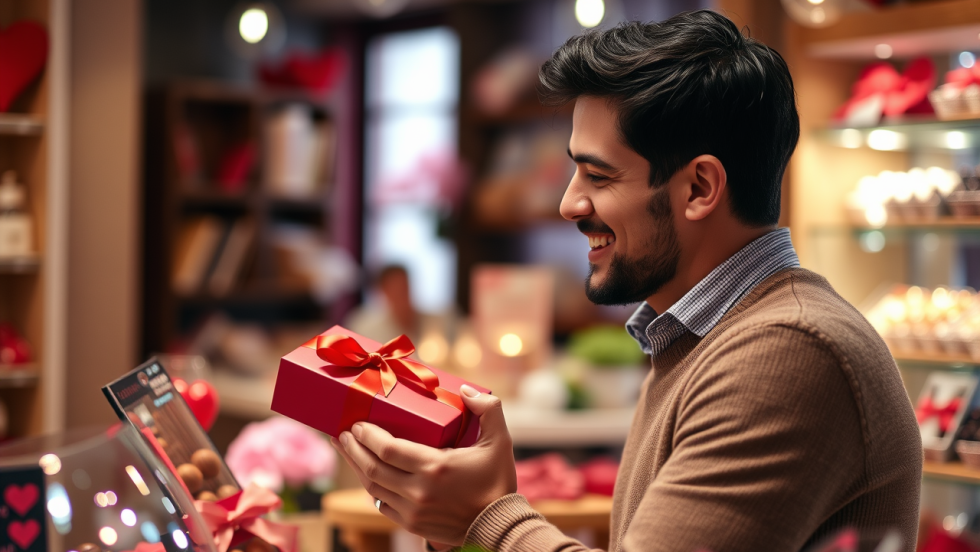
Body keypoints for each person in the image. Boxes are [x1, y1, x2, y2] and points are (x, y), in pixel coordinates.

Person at [330, 10, 922, 552]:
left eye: (598, 175)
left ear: (698, 189)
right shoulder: (697, 336)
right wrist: (456, 521)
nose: (568, 203)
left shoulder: (789, 349)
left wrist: (486, 517)